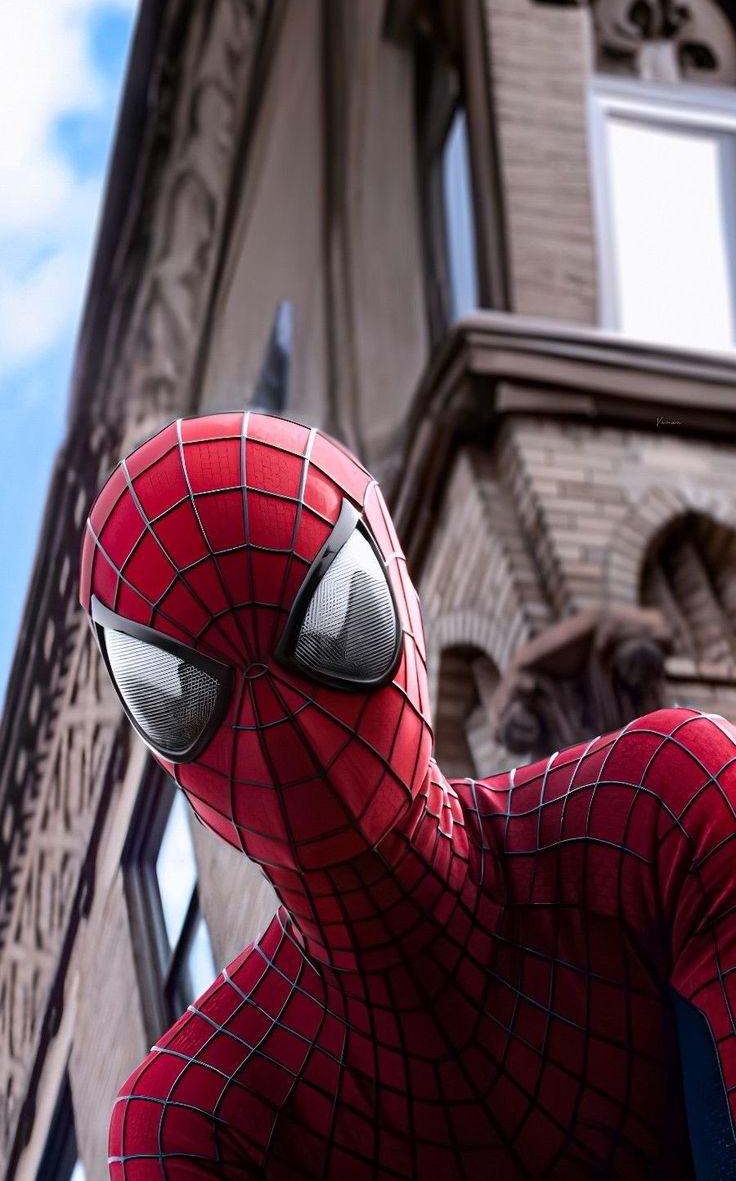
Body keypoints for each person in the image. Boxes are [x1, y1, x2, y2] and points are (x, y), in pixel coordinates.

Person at [80, 410, 736, 1179]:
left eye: (330, 621)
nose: (286, 720)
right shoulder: (192, 1119)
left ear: (394, 583)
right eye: (186, 693)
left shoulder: (658, 804)